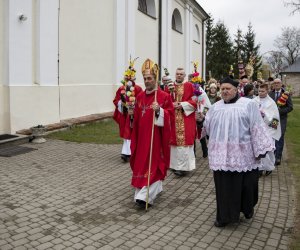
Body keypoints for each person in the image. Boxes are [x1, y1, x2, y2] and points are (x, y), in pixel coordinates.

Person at [202, 76, 274, 227]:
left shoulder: (248, 105)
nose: (225, 91)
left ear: (236, 90)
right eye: (222, 89)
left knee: (247, 186)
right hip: (221, 156)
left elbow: (257, 126)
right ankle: (224, 217)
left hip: (244, 154)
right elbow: (207, 127)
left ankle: (247, 208)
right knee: (224, 188)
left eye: (228, 89)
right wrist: (199, 121)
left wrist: (261, 149)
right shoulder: (215, 107)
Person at [130, 58, 174, 208]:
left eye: (150, 78)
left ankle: (145, 197)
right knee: (141, 165)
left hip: (156, 140)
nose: (147, 81)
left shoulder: (163, 97)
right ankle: (150, 190)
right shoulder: (140, 97)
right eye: (145, 78)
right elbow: (136, 118)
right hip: (142, 138)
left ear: (155, 79)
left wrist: (159, 111)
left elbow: (170, 117)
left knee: (154, 167)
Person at [166, 68, 197, 177]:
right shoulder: (169, 86)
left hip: (185, 118)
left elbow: (195, 101)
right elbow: (164, 100)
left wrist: (182, 104)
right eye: (177, 74)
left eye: (181, 74)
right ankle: (175, 166)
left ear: (184, 76)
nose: (179, 76)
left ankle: (183, 168)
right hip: (173, 118)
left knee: (184, 144)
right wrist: (171, 104)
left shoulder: (190, 86)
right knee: (174, 143)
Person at [113, 59, 143, 162]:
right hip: (125, 114)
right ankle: (125, 152)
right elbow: (116, 100)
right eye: (127, 77)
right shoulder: (121, 88)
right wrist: (122, 104)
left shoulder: (138, 89)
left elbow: (141, 101)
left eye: (131, 78)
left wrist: (134, 109)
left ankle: (130, 152)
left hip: (133, 115)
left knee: (132, 132)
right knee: (126, 134)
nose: (129, 80)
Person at [254, 83, 281, 176]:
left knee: (268, 150)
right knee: (259, 148)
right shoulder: (254, 101)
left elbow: (275, 119)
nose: (260, 93)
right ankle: (260, 168)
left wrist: (265, 116)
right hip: (257, 129)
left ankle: (269, 166)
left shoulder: (271, 103)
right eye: (259, 91)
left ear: (267, 91)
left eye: (263, 91)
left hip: (268, 129)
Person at [269, 78, 293, 166]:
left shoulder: (286, 94)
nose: (276, 84)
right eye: (275, 83)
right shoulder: (270, 94)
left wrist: (280, 111)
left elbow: (290, 107)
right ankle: (273, 155)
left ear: (281, 84)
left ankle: (278, 157)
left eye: (278, 83)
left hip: (282, 119)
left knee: (280, 136)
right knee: (273, 136)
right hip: (273, 120)